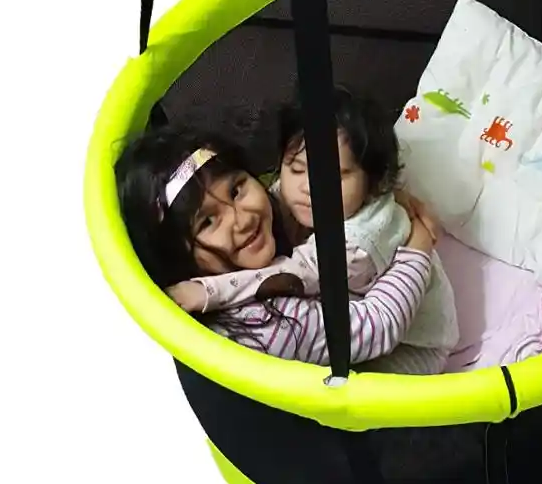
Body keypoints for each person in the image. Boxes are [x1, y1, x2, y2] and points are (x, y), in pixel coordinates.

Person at [115, 123, 445, 372]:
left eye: (236, 190)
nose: (242, 219)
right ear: (176, 260)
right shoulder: (267, 326)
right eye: (207, 222)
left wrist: (383, 198)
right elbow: (380, 324)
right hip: (401, 349)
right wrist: (418, 245)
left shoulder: (267, 214)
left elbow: (299, 194)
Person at [172, 90, 459, 358]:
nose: (308, 189)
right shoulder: (296, 196)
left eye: (237, 191)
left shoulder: (359, 240)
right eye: (296, 169)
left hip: (417, 343)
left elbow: (292, 274)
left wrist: (208, 291)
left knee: (371, 386)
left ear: (373, 183)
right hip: (360, 307)